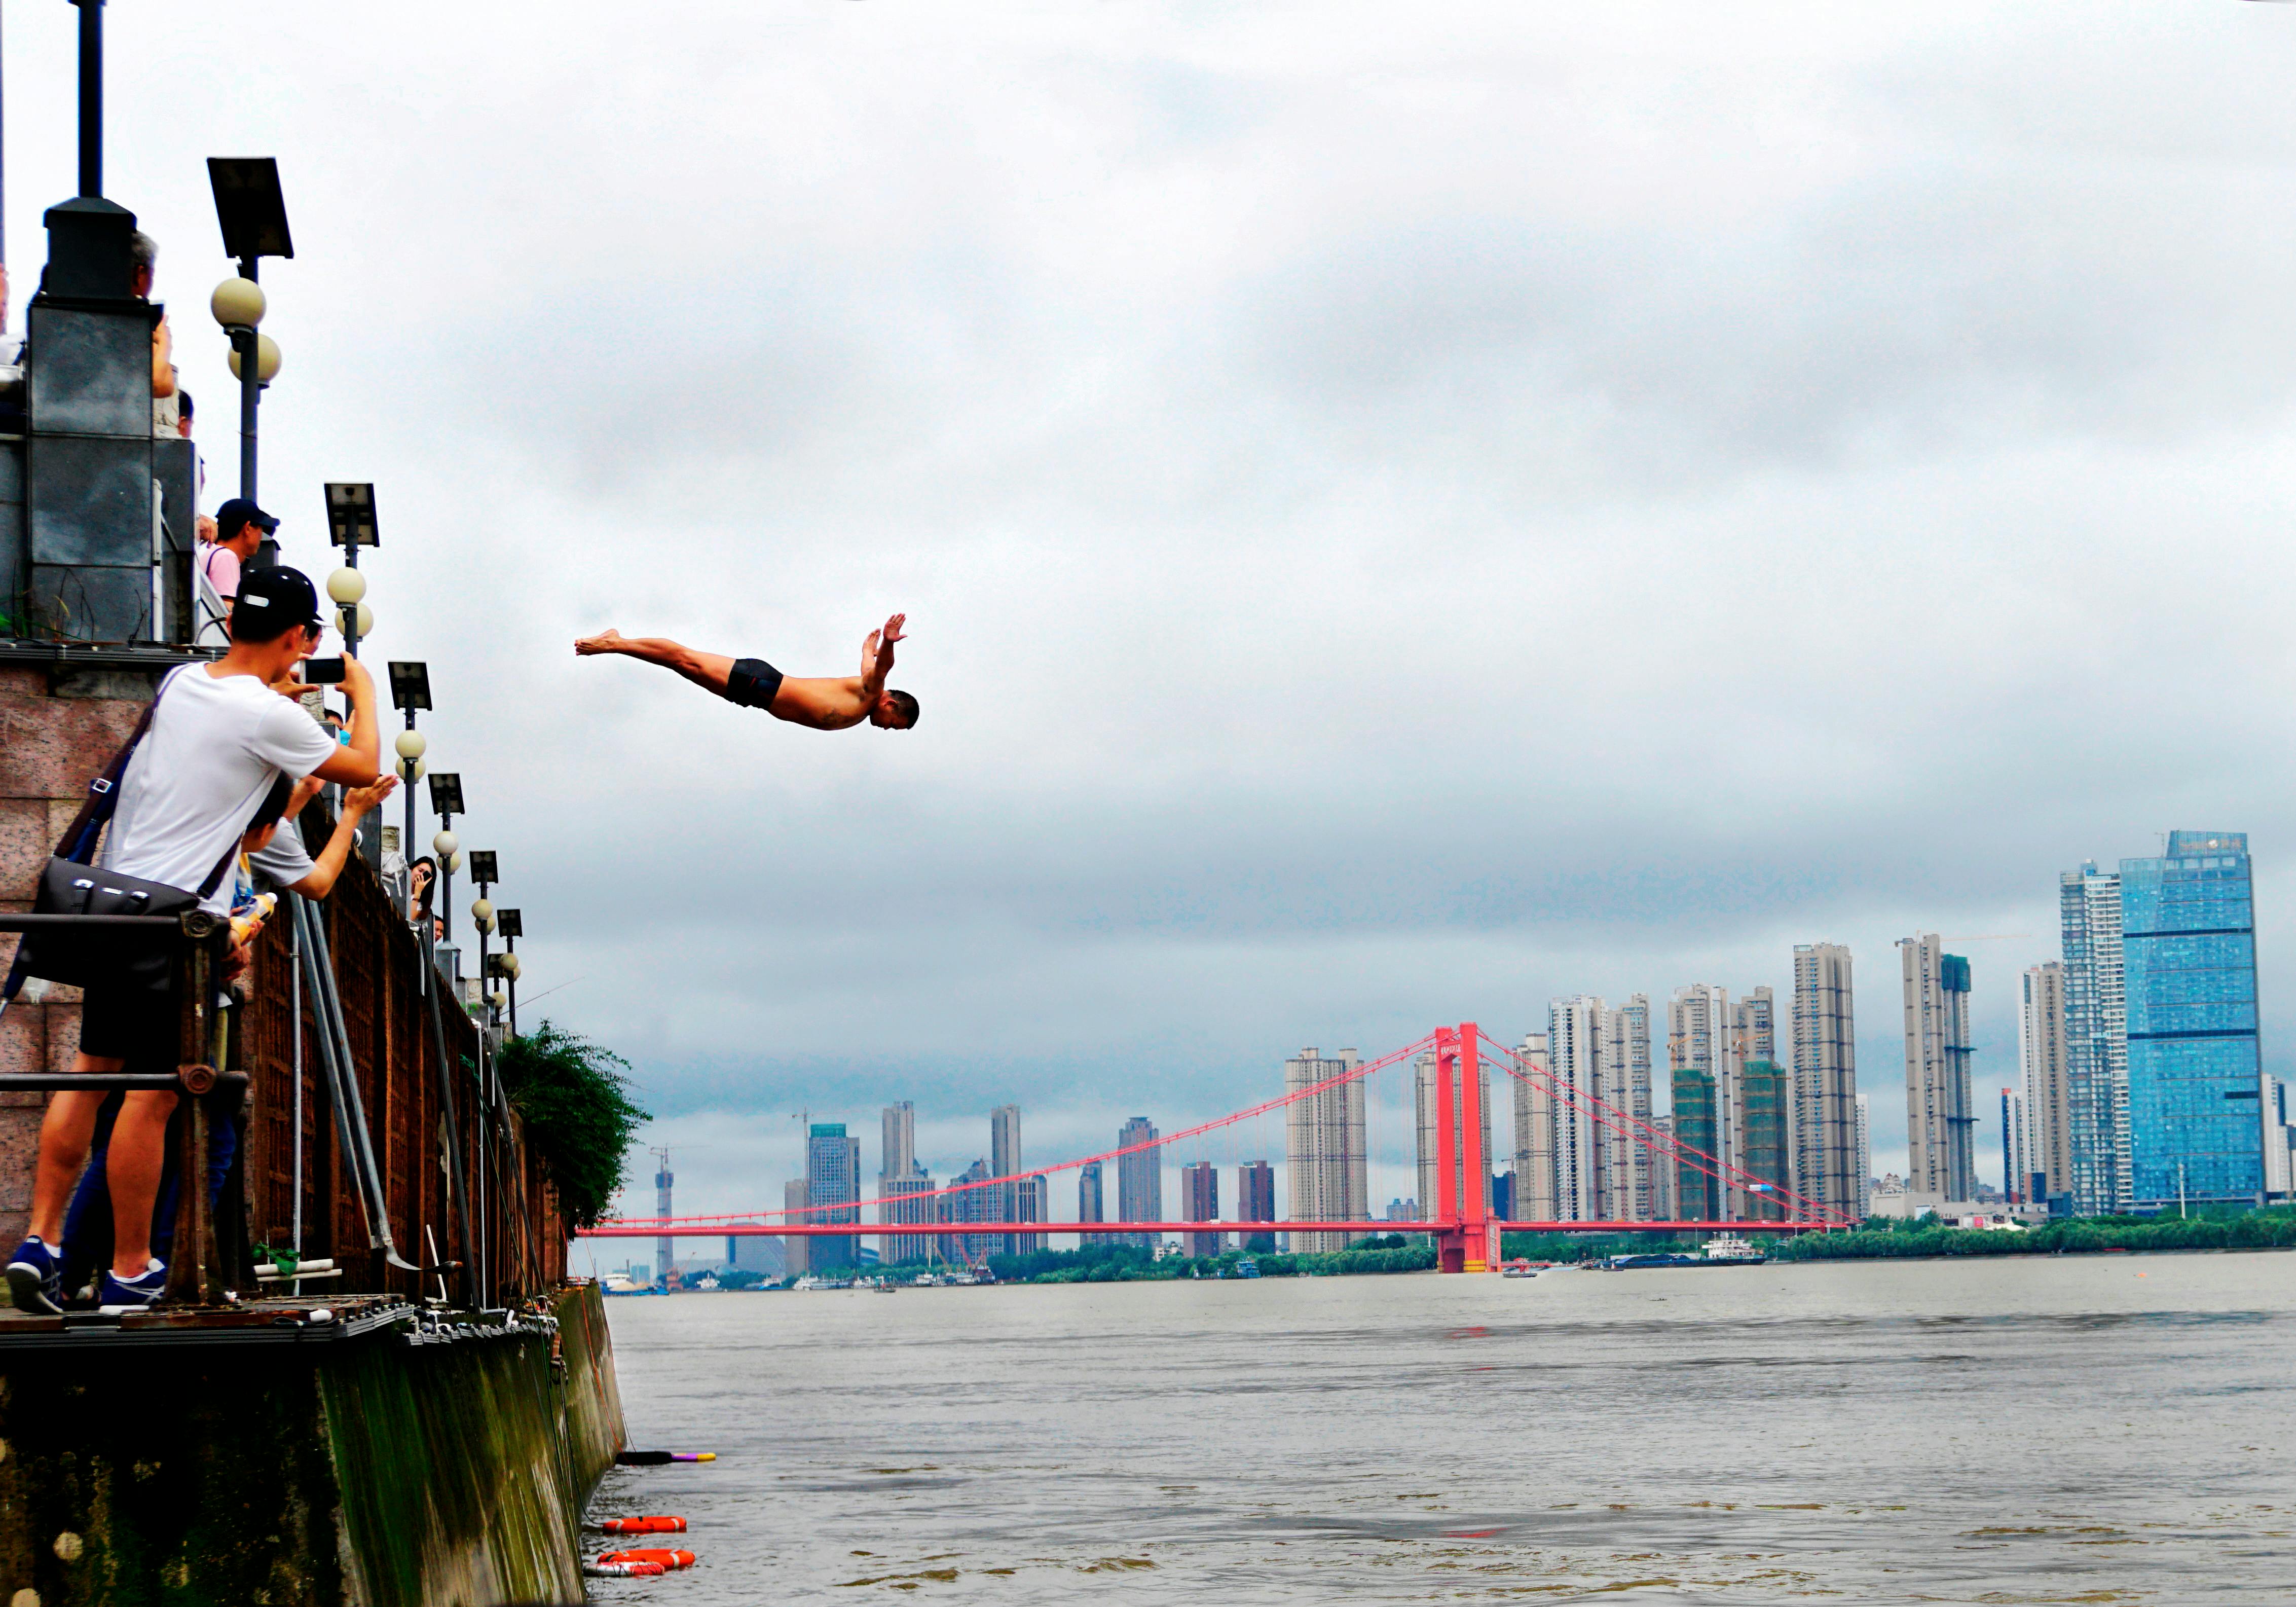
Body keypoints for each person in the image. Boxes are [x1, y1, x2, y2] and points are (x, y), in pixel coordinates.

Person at [5, 566, 381, 1312]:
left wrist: (281, 695)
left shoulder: (182, 681)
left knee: (89, 1074)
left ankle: (39, 1241)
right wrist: (362, 688)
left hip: (111, 902)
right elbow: (365, 765)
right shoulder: (268, 717)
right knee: (153, 1096)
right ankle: (131, 1266)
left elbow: (226, 737)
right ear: (299, 636)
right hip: (176, 923)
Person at [574, 615, 919, 730]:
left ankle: (618, 643)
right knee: (683, 659)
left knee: (680, 664)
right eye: (894, 724)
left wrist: (865, 651)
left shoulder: (864, 695)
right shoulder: (873, 692)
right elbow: (882, 667)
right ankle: (615, 643)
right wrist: (888, 643)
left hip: (755, 696)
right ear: (890, 704)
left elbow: (869, 666)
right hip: (762, 683)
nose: (887, 728)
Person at [194, 498, 277, 649]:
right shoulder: (226, 556)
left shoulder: (214, 553)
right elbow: (226, 611)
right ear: (248, 528)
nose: (261, 536)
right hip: (213, 648)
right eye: (261, 529)